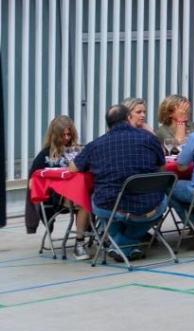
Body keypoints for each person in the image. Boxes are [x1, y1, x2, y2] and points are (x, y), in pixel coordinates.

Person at [76, 104, 168, 260]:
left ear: (108, 123)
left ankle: (119, 246)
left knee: (96, 199)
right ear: (128, 118)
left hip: (110, 206)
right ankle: (129, 245)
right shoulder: (149, 139)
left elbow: (74, 167)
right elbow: (162, 168)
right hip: (149, 206)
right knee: (163, 200)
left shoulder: (95, 145)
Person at [27, 116, 86, 244]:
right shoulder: (44, 155)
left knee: (94, 197)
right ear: (54, 136)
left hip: (78, 192)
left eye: (69, 134)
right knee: (84, 201)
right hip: (57, 197)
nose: (66, 138)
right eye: (62, 135)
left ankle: (93, 235)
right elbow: (32, 184)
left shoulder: (78, 151)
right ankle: (80, 242)